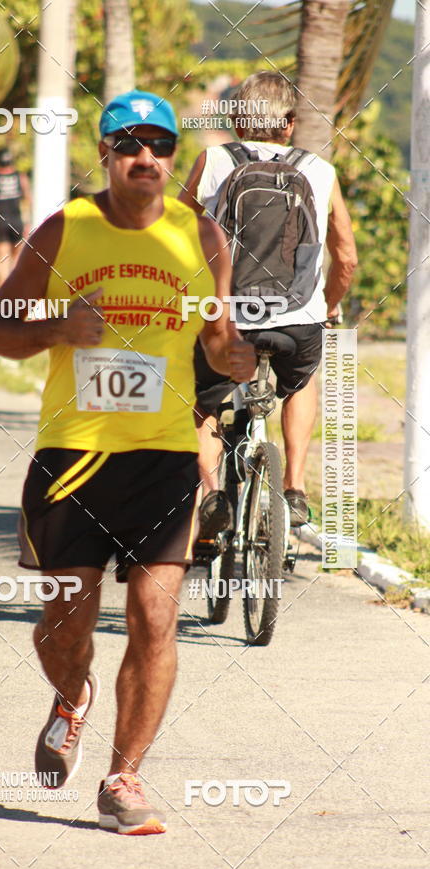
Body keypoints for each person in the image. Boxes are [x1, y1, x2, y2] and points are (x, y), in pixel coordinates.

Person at [0, 89, 255, 835]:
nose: (145, 157)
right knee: (65, 625)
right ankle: (72, 695)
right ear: (104, 153)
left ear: (172, 155)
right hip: (73, 455)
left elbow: (217, 338)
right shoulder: (66, 228)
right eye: (128, 144)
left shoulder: (202, 236)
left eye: (159, 144)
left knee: (155, 617)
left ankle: (123, 779)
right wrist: (57, 329)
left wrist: (236, 355)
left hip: (164, 456)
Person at [179, 71, 358, 528]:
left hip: (227, 317)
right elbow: (347, 258)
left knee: (205, 399)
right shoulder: (320, 171)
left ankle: (211, 496)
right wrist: (327, 306)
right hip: (298, 316)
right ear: (290, 123)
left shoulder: (213, 160)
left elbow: (173, 232)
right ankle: (295, 487)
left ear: (238, 120)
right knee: (299, 381)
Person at [0, 148, 30, 284]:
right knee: (17, 259)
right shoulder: (20, 177)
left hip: (0, 222)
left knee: (3, 259)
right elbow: (28, 200)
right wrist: (27, 222)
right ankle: (14, 289)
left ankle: (2, 290)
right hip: (17, 221)